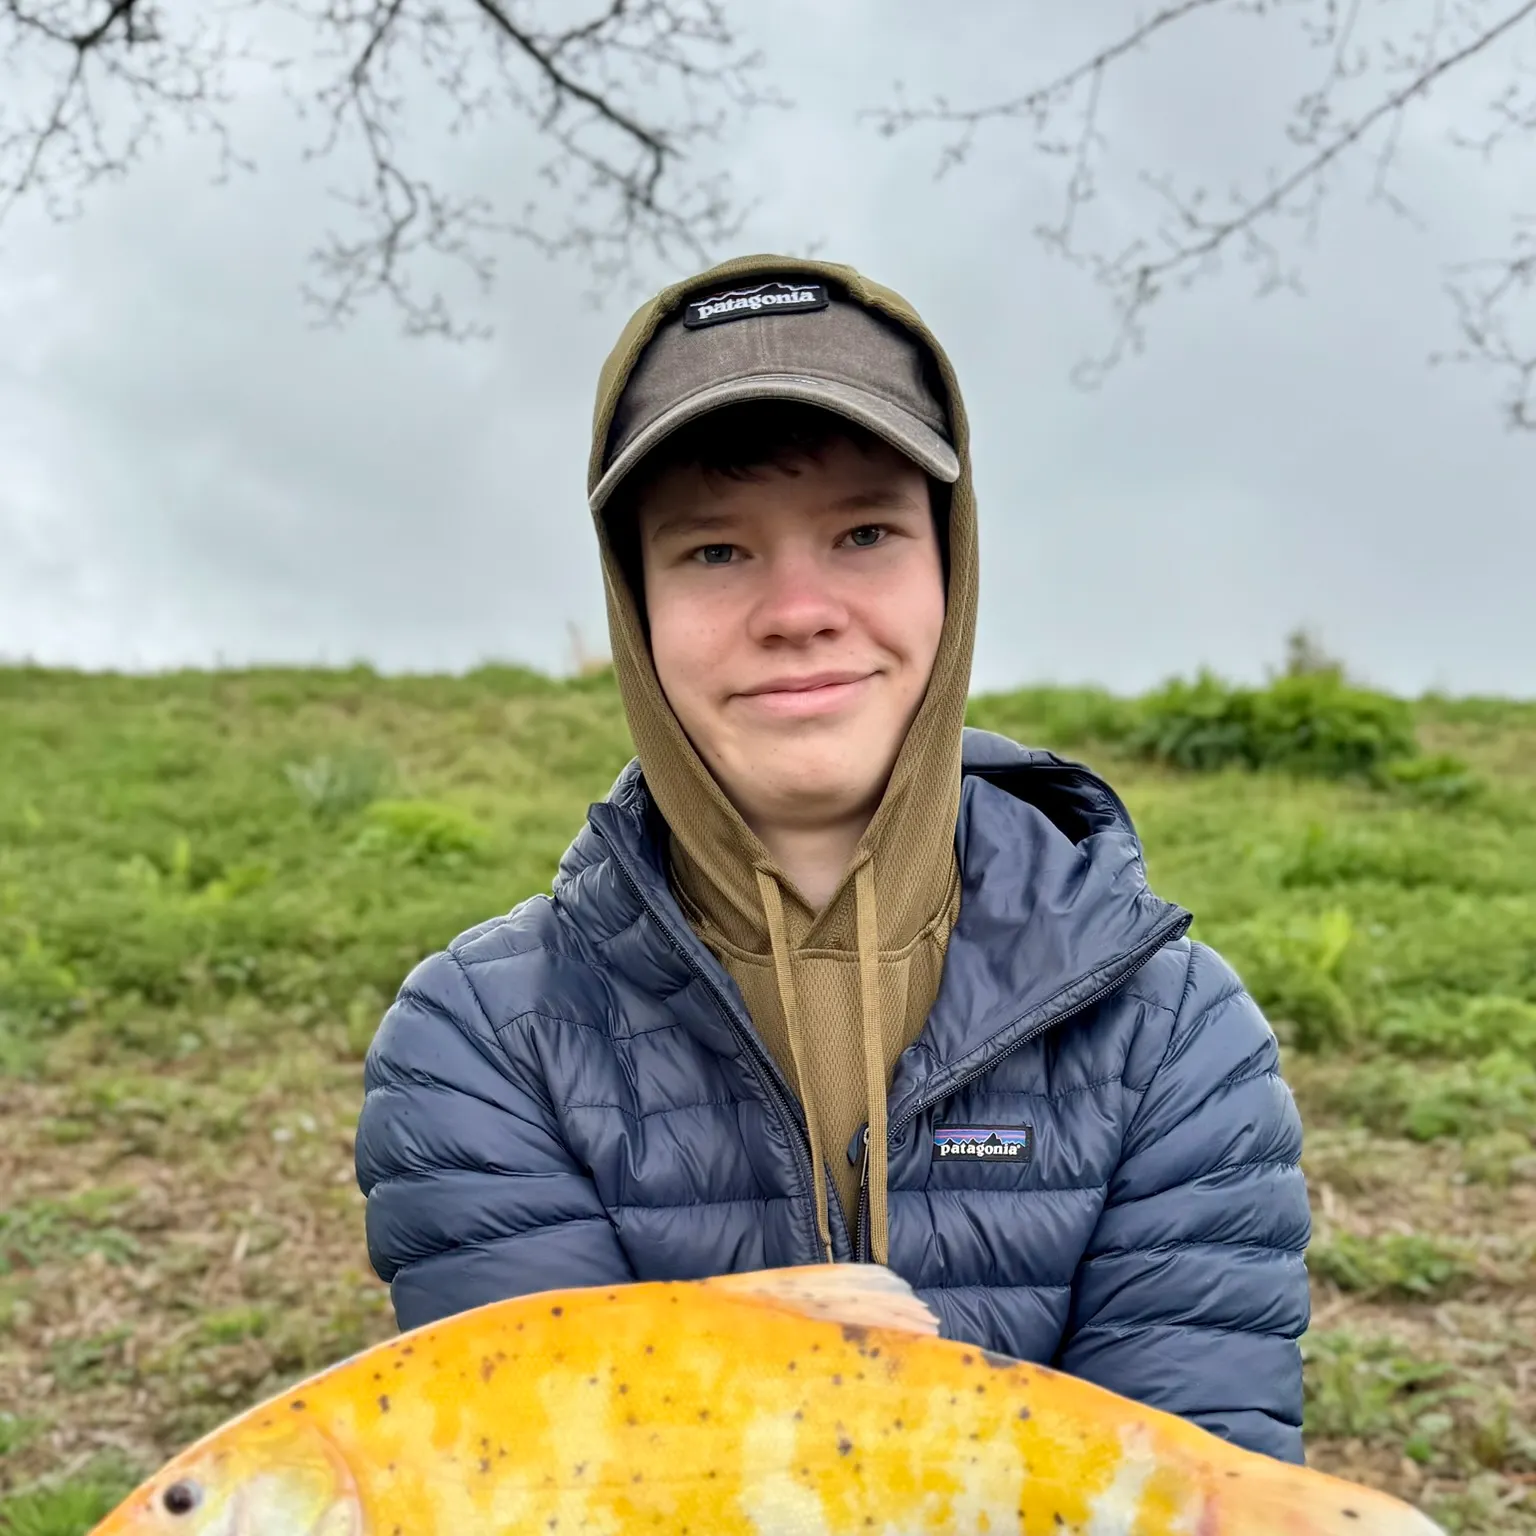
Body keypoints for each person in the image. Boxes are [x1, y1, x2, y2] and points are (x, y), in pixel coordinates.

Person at [355, 255, 1312, 1462]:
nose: (798, 608)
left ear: (950, 570)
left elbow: (1192, 1485)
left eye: (864, 532)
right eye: (714, 552)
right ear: (632, 606)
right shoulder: (482, 1046)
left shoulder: (1173, 1034)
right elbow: (568, 1486)